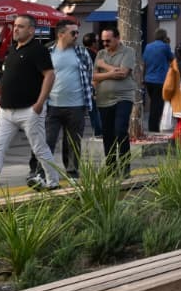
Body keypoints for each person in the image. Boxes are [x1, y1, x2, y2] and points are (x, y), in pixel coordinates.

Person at [0, 14, 62, 201]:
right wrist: (0, 99)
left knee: (39, 148)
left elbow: (49, 75)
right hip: (6, 111)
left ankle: (53, 181)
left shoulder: (38, 50)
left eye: (21, 26)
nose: (15, 29)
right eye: (15, 26)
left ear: (31, 30)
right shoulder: (13, 49)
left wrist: (40, 103)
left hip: (29, 110)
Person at [40, 19, 93, 180]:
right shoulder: (48, 52)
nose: (77, 35)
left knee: (73, 143)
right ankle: (42, 173)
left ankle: (72, 173)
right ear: (61, 34)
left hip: (76, 105)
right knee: (47, 141)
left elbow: (89, 73)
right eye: (73, 33)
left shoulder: (81, 52)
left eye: (77, 32)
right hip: (52, 105)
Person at [92, 27, 140, 173]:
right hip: (103, 99)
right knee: (107, 134)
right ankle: (111, 167)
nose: (105, 44)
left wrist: (103, 66)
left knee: (120, 130)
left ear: (118, 38)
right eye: (103, 41)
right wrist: (112, 71)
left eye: (108, 40)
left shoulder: (128, 52)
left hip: (123, 97)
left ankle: (125, 166)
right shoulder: (100, 53)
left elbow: (123, 73)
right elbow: (94, 76)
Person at [141, 29, 173, 133]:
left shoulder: (148, 46)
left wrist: (142, 77)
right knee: (157, 105)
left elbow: (144, 63)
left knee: (154, 103)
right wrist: (168, 44)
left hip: (148, 80)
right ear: (164, 36)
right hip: (160, 80)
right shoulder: (165, 47)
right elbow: (172, 58)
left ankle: (153, 126)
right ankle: (153, 127)